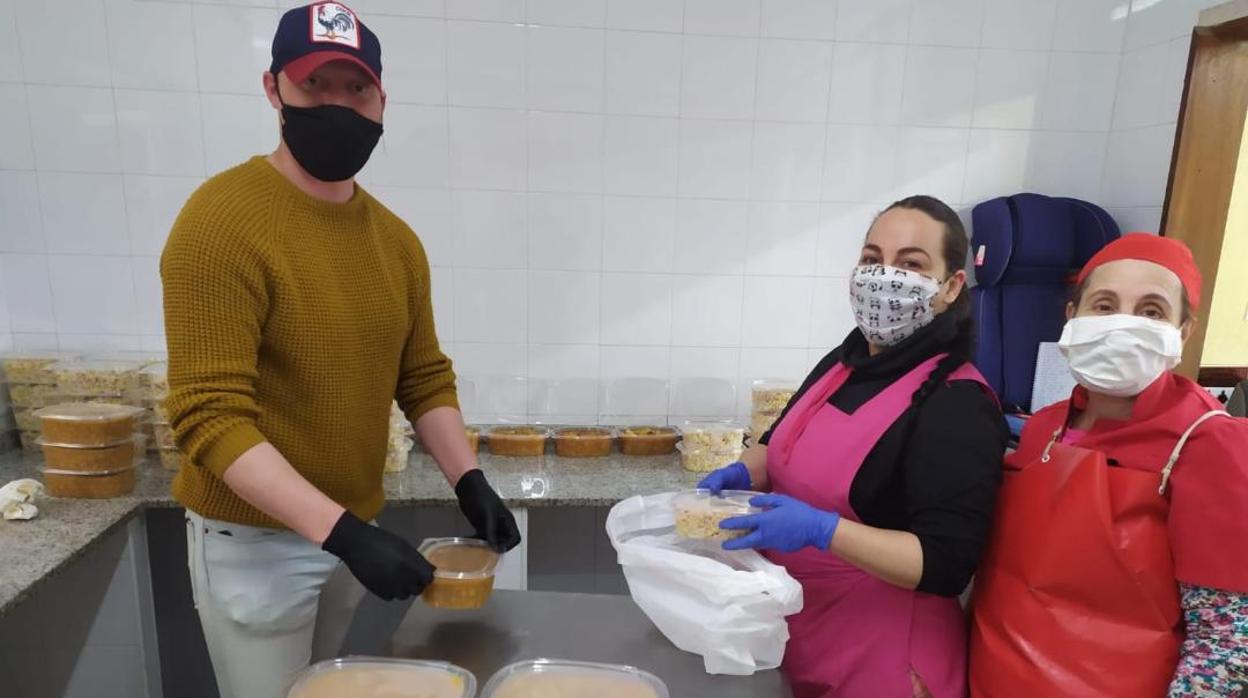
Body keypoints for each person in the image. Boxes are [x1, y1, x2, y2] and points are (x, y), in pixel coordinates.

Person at [161, 4, 520, 697]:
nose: (338, 106)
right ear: (274, 90)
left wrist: (468, 480)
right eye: (314, 85)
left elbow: (421, 376)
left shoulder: (394, 240)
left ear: (382, 98)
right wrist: (344, 534)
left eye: (354, 89)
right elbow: (210, 417)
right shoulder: (220, 221)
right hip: (257, 544)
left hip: (351, 526)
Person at [699, 195, 1008, 698]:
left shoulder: (957, 404)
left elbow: (945, 563)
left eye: (911, 264)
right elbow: (779, 442)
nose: (884, 276)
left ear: (951, 287)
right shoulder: (844, 362)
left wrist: (823, 530)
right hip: (802, 632)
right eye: (872, 259)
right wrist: (739, 472)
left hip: (883, 658)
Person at [969, 234, 1248, 697]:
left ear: (1182, 333)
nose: (1123, 325)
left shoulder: (1209, 444)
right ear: (1072, 316)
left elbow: (1224, 642)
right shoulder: (1043, 428)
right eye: (1104, 305)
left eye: (1151, 311)